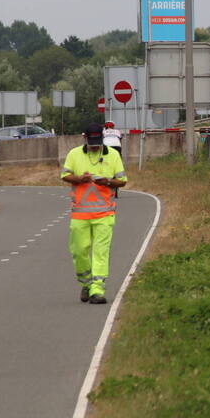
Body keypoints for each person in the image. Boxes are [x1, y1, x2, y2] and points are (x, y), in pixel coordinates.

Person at [60, 123, 127, 304]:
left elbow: (122, 181)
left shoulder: (112, 155)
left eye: (98, 141)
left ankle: (98, 289)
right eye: (92, 141)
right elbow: (65, 175)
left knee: (100, 252)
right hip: (80, 215)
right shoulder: (74, 154)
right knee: (79, 251)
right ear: (85, 138)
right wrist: (80, 179)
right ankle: (86, 284)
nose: (95, 145)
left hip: (105, 214)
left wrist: (107, 182)